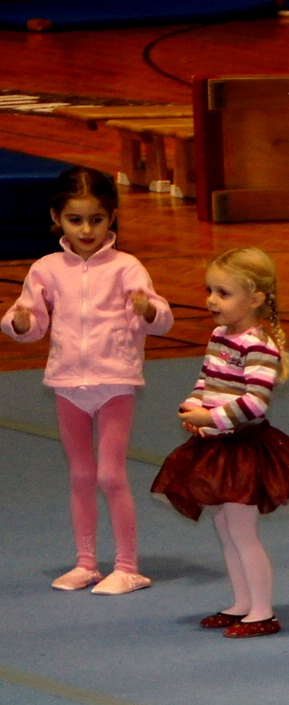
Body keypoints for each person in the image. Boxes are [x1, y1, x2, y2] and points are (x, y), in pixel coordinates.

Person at [2, 165, 173, 594]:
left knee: (110, 475)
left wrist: (148, 311)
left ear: (111, 217)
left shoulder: (127, 267)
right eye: (75, 219)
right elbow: (33, 323)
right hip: (67, 385)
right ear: (56, 218)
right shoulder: (46, 268)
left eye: (96, 219)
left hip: (114, 382)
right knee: (80, 475)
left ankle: (127, 565)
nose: (86, 230)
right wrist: (19, 322)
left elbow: (160, 318)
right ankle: (86, 563)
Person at [149, 247, 289, 637]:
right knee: (225, 528)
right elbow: (206, 380)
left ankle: (262, 611)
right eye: (210, 291)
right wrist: (194, 404)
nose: (212, 300)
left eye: (223, 293)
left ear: (255, 298)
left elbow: (254, 403)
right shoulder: (219, 336)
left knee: (243, 532)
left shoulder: (259, 346)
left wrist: (209, 417)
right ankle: (242, 603)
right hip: (216, 446)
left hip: (243, 450)